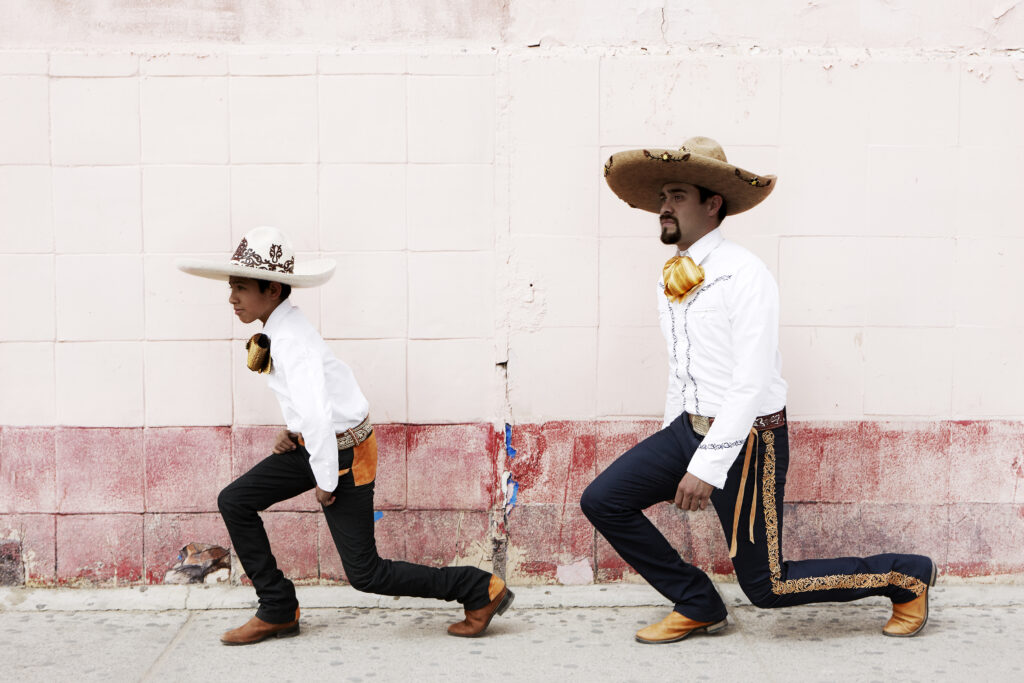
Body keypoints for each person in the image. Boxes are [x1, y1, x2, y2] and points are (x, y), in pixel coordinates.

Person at [581, 137, 934, 644]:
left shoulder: (746, 274)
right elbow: (683, 369)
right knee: (604, 499)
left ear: (712, 204)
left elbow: (749, 381)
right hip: (689, 428)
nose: (663, 207)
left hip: (750, 440)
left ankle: (904, 574)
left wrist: (706, 466)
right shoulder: (674, 276)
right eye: (662, 197)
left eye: (677, 196)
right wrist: (671, 445)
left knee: (768, 587)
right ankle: (697, 601)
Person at [177, 226, 513, 645]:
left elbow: (320, 412)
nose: (232, 298)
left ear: (273, 290)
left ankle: (479, 589)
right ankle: (277, 607)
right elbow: (312, 402)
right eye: (232, 288)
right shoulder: (281, 327)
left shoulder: (291, 339)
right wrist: (293, 428)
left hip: (343, 453)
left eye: (241, 288)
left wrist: (325, 479)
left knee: (365, 574)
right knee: (236, 500)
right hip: (316, 445)